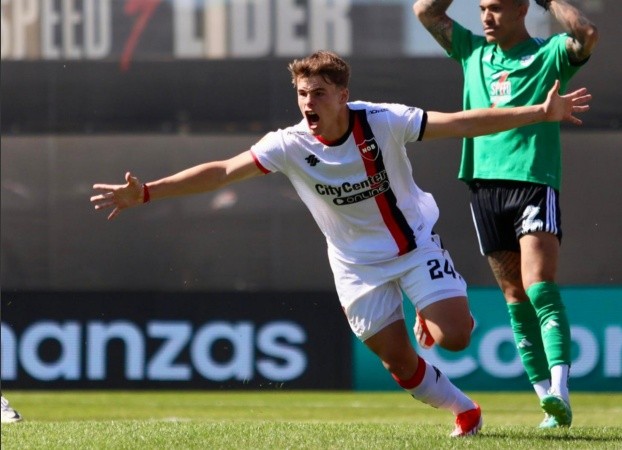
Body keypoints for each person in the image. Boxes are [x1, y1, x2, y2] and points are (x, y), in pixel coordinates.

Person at [90, 51, 590, 437]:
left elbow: (460, 123)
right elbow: (222, 171)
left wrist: (538, 113)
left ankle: (429, 303)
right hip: (355, 265)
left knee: (456, 336)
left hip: (414, 246)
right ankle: (465, 410)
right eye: (302, 94)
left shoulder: (382, 120)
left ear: (343, 93)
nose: (309, 103)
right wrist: (149, 191)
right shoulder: (288, 144)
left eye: (319, 93)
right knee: (400, 364)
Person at [413, 0, 598, 429]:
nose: (485, 17)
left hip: (533, 180)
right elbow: (425, 11)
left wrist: (550, 1)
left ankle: (562, 391)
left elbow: (587, 35)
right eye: (481, 8)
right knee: (514, 297)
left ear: (520, 9)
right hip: (483, 185)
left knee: (539, 285)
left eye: (496, 8)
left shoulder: (549, 54)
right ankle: (545, 402)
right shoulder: (472, 51)